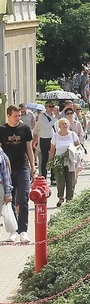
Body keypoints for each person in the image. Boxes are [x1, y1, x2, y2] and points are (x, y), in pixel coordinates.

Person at [0, 105, 35, 243]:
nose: (18, 118)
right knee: (10, 200)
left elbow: (29, 148)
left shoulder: (25, 129)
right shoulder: (2, 130)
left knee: (23, 198)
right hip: (7, 171)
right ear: (8, 116)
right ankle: (13, 231)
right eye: (15, 116)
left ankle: (23, 231)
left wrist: (33, 166)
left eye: (19, 116)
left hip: (23, 167)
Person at [49, 118, 81, 206]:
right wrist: (51, 161)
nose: (64, 125)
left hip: (70, 160)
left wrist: (72, 149)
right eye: (62, 124)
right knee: (60, 180)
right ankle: (60, 198)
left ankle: (69, 199)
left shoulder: (72, 134)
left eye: (66, 123)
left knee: (70, 180)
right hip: (59, 160)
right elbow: (52, 150)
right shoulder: (55, 136)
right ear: (59, 126)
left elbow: (78, 145)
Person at [31, 100, 57, 183]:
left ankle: (53, 177)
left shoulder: (53, 116)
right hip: (44, 138)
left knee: (53, 158)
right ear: (46, 107)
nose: (51, 108)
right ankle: (44, 177)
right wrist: (55, 118)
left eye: (53, 107)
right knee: (44, 158)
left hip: (52, 138)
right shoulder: (42, 116)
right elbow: (46, 126)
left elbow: (55, 128)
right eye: (50, 107)